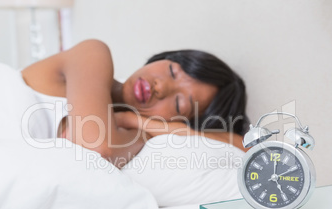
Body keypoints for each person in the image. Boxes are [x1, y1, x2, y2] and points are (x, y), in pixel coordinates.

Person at [21, 39, 249, 167]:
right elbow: (97, 147)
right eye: (172, 70)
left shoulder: (134, 132)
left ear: (180, 122)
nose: (162, 87)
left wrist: (135, 121)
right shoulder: (93, 54)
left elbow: (245, 146)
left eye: (180, 104)